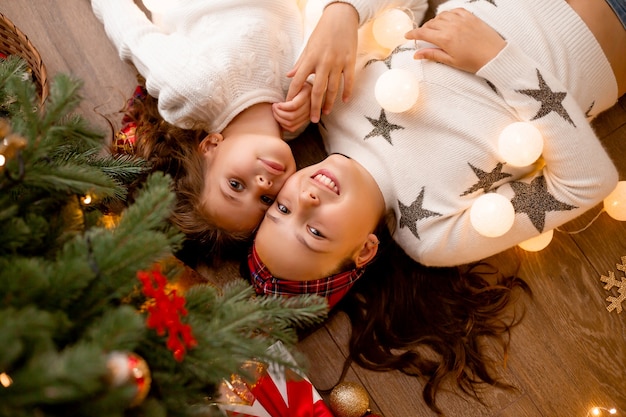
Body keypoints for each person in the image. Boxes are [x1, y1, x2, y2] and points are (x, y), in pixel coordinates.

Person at [248, 0, 626, 412]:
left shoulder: (328, 104)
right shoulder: (433, 237)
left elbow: (403, 8)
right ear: (364, 251)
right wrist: (496, 59)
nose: (306, 200)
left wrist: (343, 14)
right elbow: (587, 181)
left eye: (281, 210)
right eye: (315, 232)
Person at [90, 0, 314, 264]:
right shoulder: (303, 117)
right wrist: (314, 81)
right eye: (265, 199)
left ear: (210, 146)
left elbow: (132, 35)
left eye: (235, 185)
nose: (263, 184)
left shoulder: (197, 91)